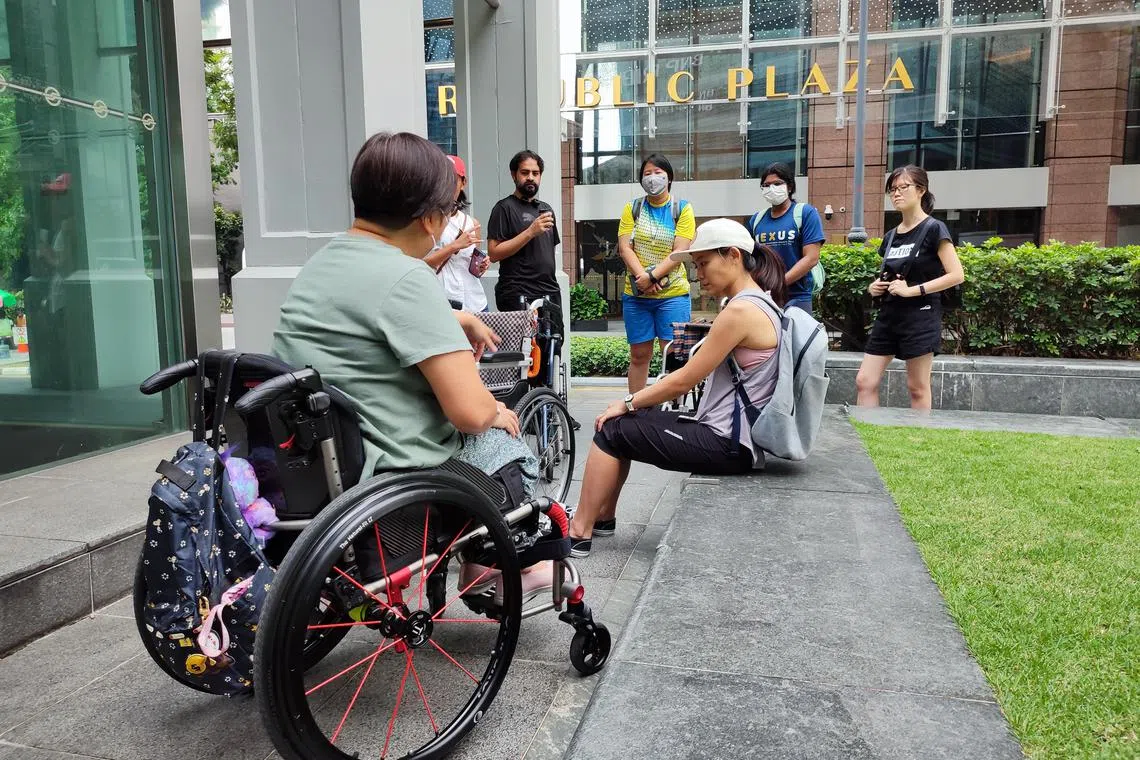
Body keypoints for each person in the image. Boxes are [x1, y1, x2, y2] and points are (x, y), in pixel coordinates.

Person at [272, 131, 552, 597]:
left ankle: (477, 562)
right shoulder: (408, 277)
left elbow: (366, 312)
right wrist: (495, 412)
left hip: (320, 461)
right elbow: (468, 411)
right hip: (391, 474)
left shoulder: (321, 264)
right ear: (428, 219)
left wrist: (457, 316)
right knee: (509, 450)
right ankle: (491, 565)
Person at [567, 219, 788, 556]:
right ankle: (603, 518)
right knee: (622, 427)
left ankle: (578, 531)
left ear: (733, 256)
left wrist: (627, 402)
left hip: (726, 443)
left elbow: (684, 380)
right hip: (735, 439)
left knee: (612, 429)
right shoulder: (759, 302)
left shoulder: (742, 310)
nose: (699, 275)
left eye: (703, 264)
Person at [855, 165, 965, 410]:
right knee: (865, 380)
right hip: (889, 315)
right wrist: (876, 286)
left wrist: (912, 290)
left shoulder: (934, 228)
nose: (896, 194)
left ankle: (919, 439)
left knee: (917, 386)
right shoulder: (891, 236)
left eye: (903, 187)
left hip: (921, 315)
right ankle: (868, 435)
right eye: (892, 189)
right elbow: (892, 273)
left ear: (921, 190)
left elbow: (957, 275)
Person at [617, 154, 695, 393]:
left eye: (658, 173)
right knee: (639, 355)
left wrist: (651, 277)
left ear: (669, 177)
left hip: (672, 295)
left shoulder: (681, 208)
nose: (652, 178)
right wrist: (642, 278)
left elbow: (681, 250)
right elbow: (624, 248)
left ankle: (670, 409)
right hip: (637, 296)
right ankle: (635, 407)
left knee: (671, 354)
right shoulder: (633, 208)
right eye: (647, 173)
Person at [486, 150, 563, 333]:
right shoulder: (503, 208)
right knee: (524, 354)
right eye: (525, 172)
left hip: (549, 291)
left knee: (553, 350)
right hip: (518, 292)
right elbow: (494, 253)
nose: (531, 178)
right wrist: (530, 232)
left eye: (535, 174)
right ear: (514, 175)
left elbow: (548, 253)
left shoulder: (546, 209)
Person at [747, 162, 826, 315]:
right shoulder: (756, 220)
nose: (771, 188)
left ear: (789, 187)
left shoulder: (805, 213)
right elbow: (748, 258)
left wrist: (780, 284)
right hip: (764, 296)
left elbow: (811, 258)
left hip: (797, 297)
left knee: (797, 339)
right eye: (766, 185)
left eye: (777, 183)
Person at [425, 155, 489, 312]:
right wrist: (454, 246)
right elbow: (422, 264)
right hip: (443, 303)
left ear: (463, 183)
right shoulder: (427, 221)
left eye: (453, 179)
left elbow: (473, 267)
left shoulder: (471, 223)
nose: (447, 185)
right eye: (442, 179)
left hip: (475, 302)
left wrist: (482, 266)